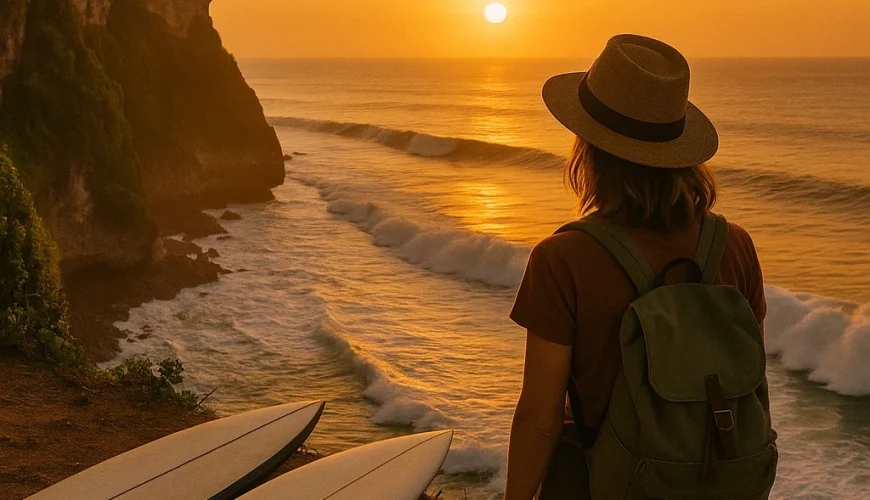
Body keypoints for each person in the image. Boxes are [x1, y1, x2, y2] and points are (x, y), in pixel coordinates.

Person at [504, 34, 777, 499]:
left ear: (588, 148)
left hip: (599, 484)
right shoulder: (734, 245)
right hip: (714, 480)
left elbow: (540, 418)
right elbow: (747, 382)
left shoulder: (562, 258)